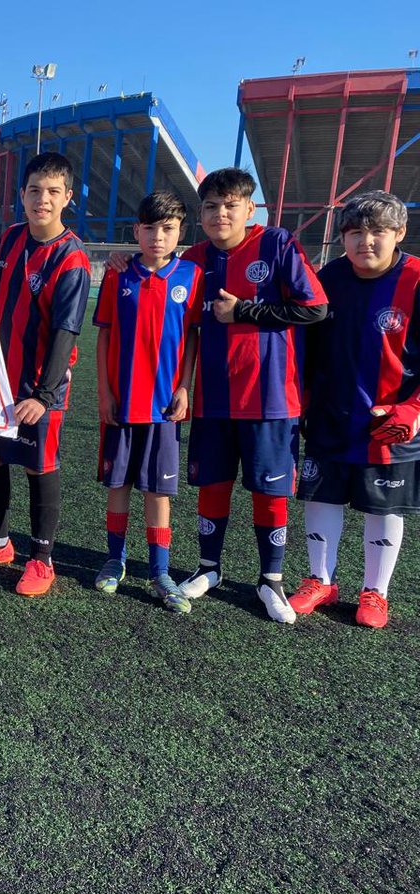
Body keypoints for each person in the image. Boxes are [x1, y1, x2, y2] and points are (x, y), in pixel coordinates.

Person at [160, 168, 326, 623]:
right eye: (211, 206)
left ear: (249, 208)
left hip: (271, 398)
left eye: (230, 205)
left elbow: (315, 308)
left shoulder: (276, 245)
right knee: (213, 483)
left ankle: (270, 581)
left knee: (267, 490)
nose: (220, 214)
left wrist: (246, 311)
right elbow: (186, 323)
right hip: (214, 398)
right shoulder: (194, 258)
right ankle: (209, 569)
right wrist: (185, 385)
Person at [0, 152, 91, 597]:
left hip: (37, 387)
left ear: (67, 197)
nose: (41, 200)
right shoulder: (9, 239)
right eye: (34, 190)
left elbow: (66, 330)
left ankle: (42, 560)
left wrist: (44, 395)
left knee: (38, 466)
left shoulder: (72, 259)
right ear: (22, 194)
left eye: (52, 192)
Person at [289, 191, 419, 628]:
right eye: (355, 232)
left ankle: (375, 592)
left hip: (390, 422)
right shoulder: (330, 277)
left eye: (378, 231)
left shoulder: (417, 279)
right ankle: (319, 580)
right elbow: (307, 344)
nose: (366, 241)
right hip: (331, 413)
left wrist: (415, 408)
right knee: (321, 495)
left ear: (399, 233)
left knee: (383, 506)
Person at [92, 191, 201, 612]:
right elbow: (103, 334)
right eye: (150, 228)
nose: (158, 236)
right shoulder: (118, 275)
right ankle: (114, 559)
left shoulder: (191, 275)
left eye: (168, 228)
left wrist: (185, 387)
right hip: (121, 402)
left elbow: (190, 337)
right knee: (117, 484)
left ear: (180, 233)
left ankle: (160, 571)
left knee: (158, 492)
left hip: (163, 408)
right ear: (136, 230)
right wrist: (104, 392)